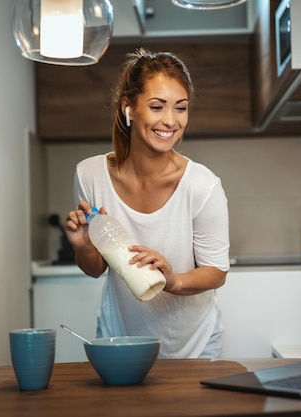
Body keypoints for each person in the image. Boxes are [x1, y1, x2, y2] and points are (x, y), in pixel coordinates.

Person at [63, 48, 230, 359]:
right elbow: (97, 268)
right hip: (119, 337)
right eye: (157, 106)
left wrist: (173, 279)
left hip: (195, 345)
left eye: (181, 108)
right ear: (129, 108)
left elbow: (216, 271)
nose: (171, 120)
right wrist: (83, 247)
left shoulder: (202, 185)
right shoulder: (89, 175)